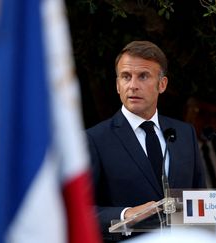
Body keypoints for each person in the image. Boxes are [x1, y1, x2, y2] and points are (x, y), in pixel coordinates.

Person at [86, 41, 206, 242]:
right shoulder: (95, 139)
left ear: (162, 84)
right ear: (117, 85)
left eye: (143, 76)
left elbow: (198, 199)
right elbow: (79, 211)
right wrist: (126, 214)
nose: (133, 85)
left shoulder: (184, 134)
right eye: (126, 77)